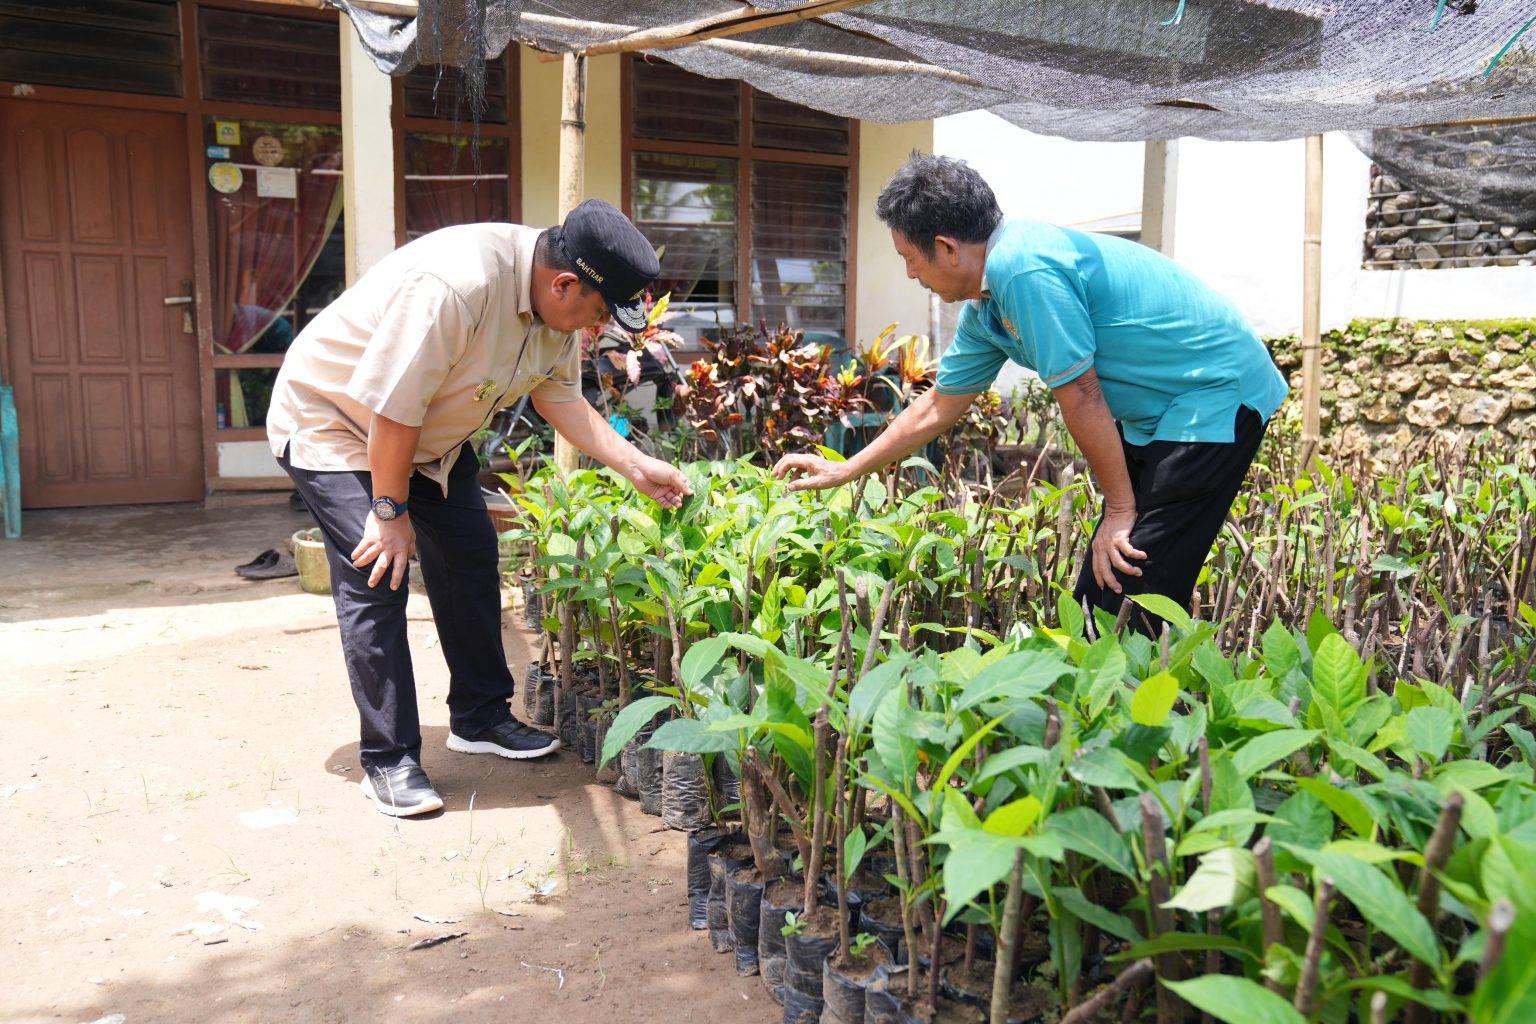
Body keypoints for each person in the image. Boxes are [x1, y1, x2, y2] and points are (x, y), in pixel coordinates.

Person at [268, 199, 692, 817]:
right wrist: (388, 513)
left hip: (427, 435)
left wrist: (634, 465)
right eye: (599, 312)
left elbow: (560, 399)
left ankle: (479, 716)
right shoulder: (456, 285)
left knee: (469, 552)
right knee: (378, 572)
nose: (594, 327)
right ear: (563, 284)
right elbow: (392, 411)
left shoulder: (558, 305)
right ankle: (389, 759)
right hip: (335, 421)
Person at [773, 154, 1287, 634]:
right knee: (1104, 589)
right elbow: (937, 406)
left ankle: (1145, 694)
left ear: (947, 248)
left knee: (1135, 582)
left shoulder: (1022, 267)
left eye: (910, 258)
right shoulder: (987, 309)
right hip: (1161, 412)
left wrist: (1118, 509)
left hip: (1214, 393)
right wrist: (845, 470)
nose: (911, 274)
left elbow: (1081, 394)